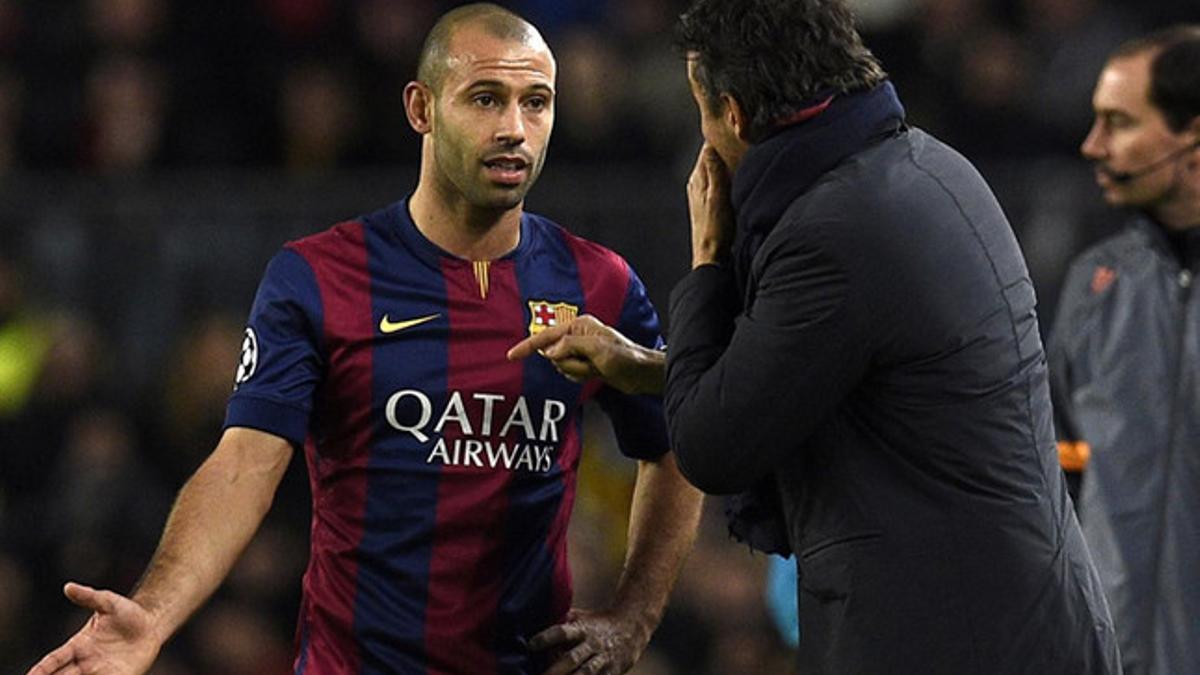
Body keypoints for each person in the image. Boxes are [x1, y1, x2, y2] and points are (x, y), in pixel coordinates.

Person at [27, 4, 703, 674]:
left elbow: (675, 442)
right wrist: (153, 613)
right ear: (421, 108)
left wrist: (633, 617)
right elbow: (243, 464)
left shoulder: (599, 282)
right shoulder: (319, 276)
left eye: (537, 103)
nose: (514, 130)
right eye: (486, 99)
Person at [510, 0, 1121, 671]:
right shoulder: (921, 168)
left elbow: (712, 444)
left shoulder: (834, 234)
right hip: (1015, 624)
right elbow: (807, 369)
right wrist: (647, 366)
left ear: (734, 114)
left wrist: (709, 258)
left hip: (955, 640)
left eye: (703, 109)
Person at [1048, 25, 1200, 675]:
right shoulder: (1094, 285)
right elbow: (1058, 471)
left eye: (1120, 123)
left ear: (1192, 137)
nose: (1093, 146)